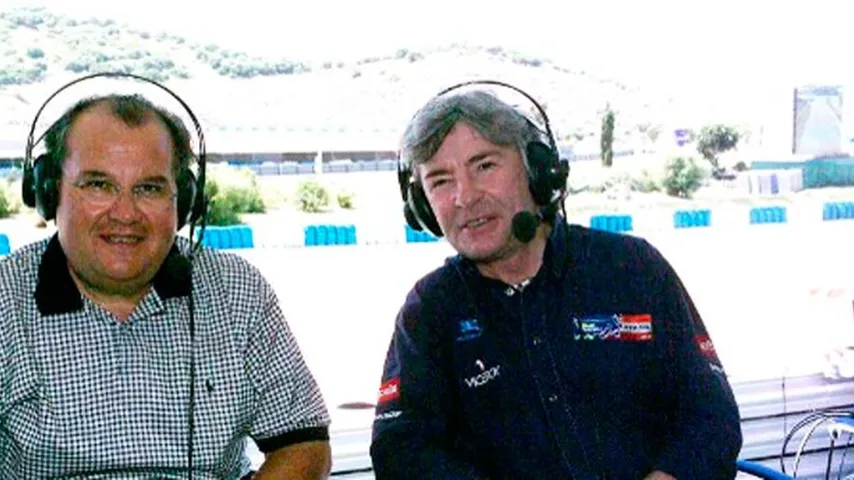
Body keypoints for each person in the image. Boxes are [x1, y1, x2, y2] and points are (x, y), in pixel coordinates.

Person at [370, 86, 743, 479]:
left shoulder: (632, 268)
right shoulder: (429, 311)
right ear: (422, 206)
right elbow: (402, 451)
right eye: (441, 181)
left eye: (484, 166)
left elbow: (710, 414)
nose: (465, 196)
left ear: (537, 171)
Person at [0, 92, 332, 479]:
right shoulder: (6, 298)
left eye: (150, 189)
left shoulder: (237, 291)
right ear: (48, 192)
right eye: (98, 185)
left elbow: (304, 445)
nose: (125, 214)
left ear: (184, 199)